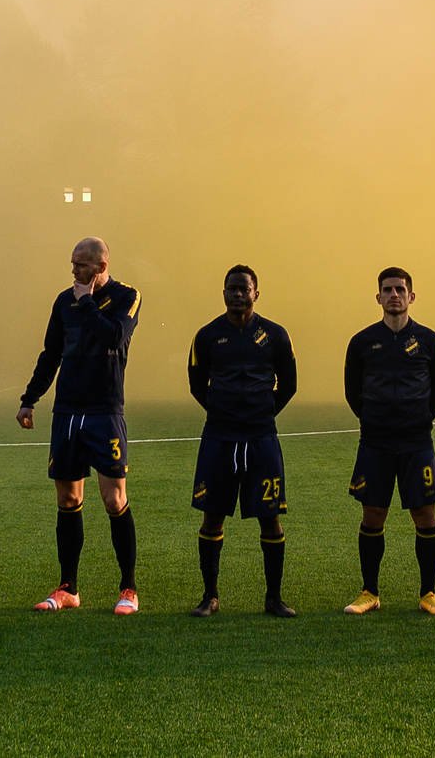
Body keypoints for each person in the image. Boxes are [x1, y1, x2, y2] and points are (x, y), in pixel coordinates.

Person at [20, 237, 142, 614]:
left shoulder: (127, 296)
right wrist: (30, 398)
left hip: (105, 412)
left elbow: (115, 336)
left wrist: (86, 300)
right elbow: (51, 353)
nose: (74, 271)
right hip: (68, 412)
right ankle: (68, 588)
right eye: (72, 264)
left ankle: (129, 589)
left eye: (81, 265)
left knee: (113, 499)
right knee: (68, 499)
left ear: (101, 266)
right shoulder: (63, 302)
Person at [186, 264, 297, 617]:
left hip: (261, 437)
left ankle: (273, 598)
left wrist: (262, 412)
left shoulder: (276, 335)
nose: (237, 294)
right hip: (219, 438)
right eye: (231, 289)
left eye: (243, 289)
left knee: (270, 517)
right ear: (223, 294)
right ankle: (210, 597)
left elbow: (289, 384)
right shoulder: (207, 336)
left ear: (256, 294)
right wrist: (223, 412)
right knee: (212, 517)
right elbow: (196, 384)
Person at [341, 268, 435, 616]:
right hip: (374, 443)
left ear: (411, 297)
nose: (394, 295)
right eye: (387, 290)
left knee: (425, 515)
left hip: (417, 443)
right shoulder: (361, 343)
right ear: (378, 297)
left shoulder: (431, 341)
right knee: (373, 514)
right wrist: (374, 419)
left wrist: (417, 420)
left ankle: (429, 593)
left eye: (400, 289)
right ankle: (369, 592)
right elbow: (352, 392)